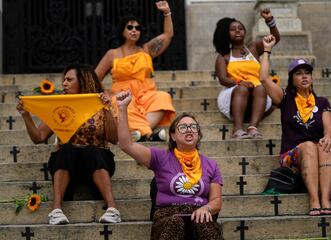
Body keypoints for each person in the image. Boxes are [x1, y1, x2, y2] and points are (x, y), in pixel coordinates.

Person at [16, 64, 121, 224]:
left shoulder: (100, 103)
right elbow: (39, 137)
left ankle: (112, 209)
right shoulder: (60, 106)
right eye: (64, 80)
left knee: (91, 150)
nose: (64, 83)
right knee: (66, 148)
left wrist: (107, 109)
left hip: (98, 160)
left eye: (69, 79)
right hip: (67, 162)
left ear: (83, 81)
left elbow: (114, 138)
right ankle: (56, 210)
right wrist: (26, 116)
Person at [116, 90, 223, 239]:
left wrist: (206, 208)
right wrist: (122, 109)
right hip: (168, 215)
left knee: (203, 224)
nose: (189, 130)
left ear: (198, 135)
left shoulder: (211, 164)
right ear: (173, 135)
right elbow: (126, 145)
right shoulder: (160, 157)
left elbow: (216, 201)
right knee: (175, 222)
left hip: (199, 215)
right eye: (183, 127)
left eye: (193, 127)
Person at [259, 35, 331, 216]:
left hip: (318, 152)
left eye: (307, 73)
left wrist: (327, 137)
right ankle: (314, 201)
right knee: (310, 145)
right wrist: (267, 50)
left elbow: (328, 128)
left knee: (324, 145)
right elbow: (263, 78)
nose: (304, 76)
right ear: (292, 79)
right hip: (291, 156)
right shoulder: (285, 98)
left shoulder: (322, 101)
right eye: (299, 73)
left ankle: (326, 201)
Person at [95, 0, 175, 142]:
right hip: (122, 95)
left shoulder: (146, 49)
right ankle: (149, 135)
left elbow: (168, 35)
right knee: (119, 103)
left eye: (137, 28)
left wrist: (166, 12)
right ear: (122, 31)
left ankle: (139, 133)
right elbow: (94, 78)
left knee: (163, 97)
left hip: (147, 94)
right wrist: (106, 92)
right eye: (130, 27)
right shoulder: (112, 54)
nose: (134, 30)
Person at [213, 9, 280, 139]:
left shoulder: (254, 48)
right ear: (227, 34)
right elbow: (222, 79)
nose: (237, 30)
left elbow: (275, 39)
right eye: (233, 29)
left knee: (261, 87)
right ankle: (237, 129)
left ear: (245, 32)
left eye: (240, 28)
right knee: (242, 89)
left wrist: (270, 20)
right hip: (233, 95)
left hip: (256, 94)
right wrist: (239, 82)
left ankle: (253, 127)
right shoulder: (223, 56)